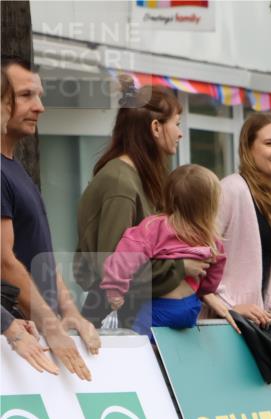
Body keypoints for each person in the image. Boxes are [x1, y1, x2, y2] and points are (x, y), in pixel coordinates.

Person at [1, 55, 99, 380]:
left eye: (39, 95)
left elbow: (39, 255)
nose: (40, 106)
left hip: (31, 339)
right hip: (17, 343)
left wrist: (68, 310)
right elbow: (5, 262)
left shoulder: (13, 167)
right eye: (26, 95)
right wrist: (50, 326)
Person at [74, 78, 196, 328]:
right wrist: (180, 268)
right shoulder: (121, 182)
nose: (180, 133)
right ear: (155, 127)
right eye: (177, 124)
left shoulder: (135, 177)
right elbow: (112, 267)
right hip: (119, 321)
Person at [101, 165, 237, 337]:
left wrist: (115, 290)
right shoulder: (211, 238)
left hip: (160, 307)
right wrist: (202, 290)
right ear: (210, 205)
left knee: (140, 345)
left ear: (169, 197)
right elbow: (215, 273)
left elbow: (124, 260)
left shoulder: (154, 227)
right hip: (190, 308)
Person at [215, 112, 271, 331]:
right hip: (223, 324)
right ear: (248, 149)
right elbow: (201, 256)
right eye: (270, 143)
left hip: (257, 323)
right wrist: (230, 306)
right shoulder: (230, 189)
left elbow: (266, 268)